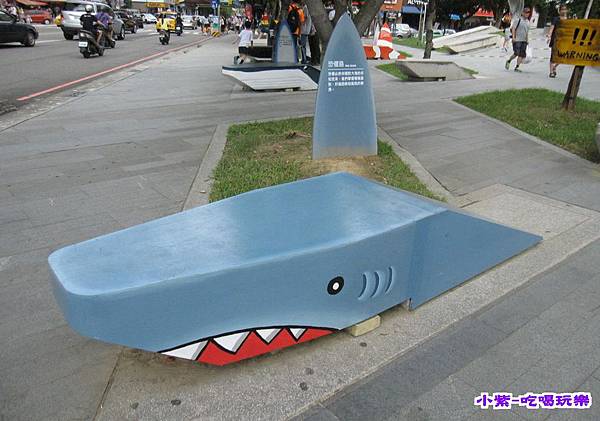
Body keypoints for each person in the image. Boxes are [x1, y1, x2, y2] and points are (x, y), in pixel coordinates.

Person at [505, 7, 530, 72]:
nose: (527, 14)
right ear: (522, 13)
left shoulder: (528, 22)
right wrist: (513, 37)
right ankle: (509, 61)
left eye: (528, 12)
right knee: (516, 53)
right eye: (526, 12)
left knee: (521, 54)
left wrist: (527, 40)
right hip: (517, 39)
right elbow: (513, 29)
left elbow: (527, 32)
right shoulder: (518, 20)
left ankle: (517, 67)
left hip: (524, 40)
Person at [547, 4, 569, 78]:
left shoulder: (568, 20)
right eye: (562, 9)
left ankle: (554, 67)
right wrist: (549, 36)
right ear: (559, 11)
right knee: (553, 56)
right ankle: (551, 72)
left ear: (567, 10)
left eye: (565, 9)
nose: (563, 11)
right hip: (555, 39)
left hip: (564, 40)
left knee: (563, 56)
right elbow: (552, 27)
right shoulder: (556, 19)